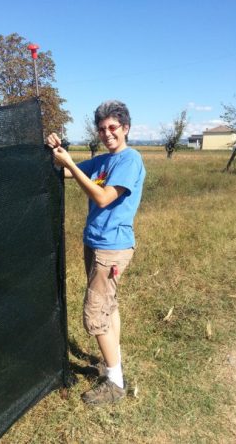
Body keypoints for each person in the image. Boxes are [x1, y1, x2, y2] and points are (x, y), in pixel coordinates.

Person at [46, 100, 146, 404]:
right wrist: (55, 150)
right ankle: (112, 362)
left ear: (125, 128)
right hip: (95, 243)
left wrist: (72, 165)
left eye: (112, 127)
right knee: (109, 306)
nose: (107, 133)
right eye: (102, 129)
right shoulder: (103, 160)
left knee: (95, 314)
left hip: (112, 248)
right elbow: (63, 172)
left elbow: (103, 197)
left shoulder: (130, 160)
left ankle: (114, 383)